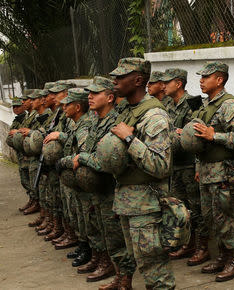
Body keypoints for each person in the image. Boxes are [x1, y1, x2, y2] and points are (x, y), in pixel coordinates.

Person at [109, 57, 175, 289]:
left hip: (147, 206)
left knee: (156, 271)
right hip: (130, 203)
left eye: (121, 76)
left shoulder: (153, 115)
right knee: (144, 265)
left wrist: (129, 138)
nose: (114, 80)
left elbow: (160, 165)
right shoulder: (128, 110)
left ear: (138, 80)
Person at [72, 76, 137, 286]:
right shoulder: (96, 122)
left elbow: (106, 163)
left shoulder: (116, 124)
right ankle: (118, 275)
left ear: (110, 97)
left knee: (116, 238)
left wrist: (82, 159)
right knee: (104, 234)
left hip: (112, 190)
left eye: (95, 93)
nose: (89, 97)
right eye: (89, 93)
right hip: (98, 190)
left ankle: (125, 279)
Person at [192, 61, 234, 282]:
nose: (201, 80)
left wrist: (214, 135)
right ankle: (222, 257)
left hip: (222, 173)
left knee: (225, 217)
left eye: (206, 77)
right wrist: (199, 166)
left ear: (219, 80)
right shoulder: (206, 105)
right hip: (207, 171)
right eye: (201, 77)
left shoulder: (229, 105)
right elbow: (199, 141)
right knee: (211, 218)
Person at [162, 68, 209, 265]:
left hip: (190, 165)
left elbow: (198, 137)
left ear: (178, 83)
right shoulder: (167, 105)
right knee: (180, 207)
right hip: (176, 165)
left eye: (167, 82)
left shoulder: (193, 103)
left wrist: (198, 166)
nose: (163, 85)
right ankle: (187, 244)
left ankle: (202, 247)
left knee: (196, 208)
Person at [44, 88, 93, 267]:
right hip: (73, 180)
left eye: (68, 104)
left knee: (87, 217)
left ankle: (91, 251)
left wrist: (63, 162)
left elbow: (80, 155)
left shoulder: (85, 125)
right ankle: (83, 245)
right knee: (77, 214)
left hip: (81, 178)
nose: (64, 107)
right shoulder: (74, 123)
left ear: (78, 107)